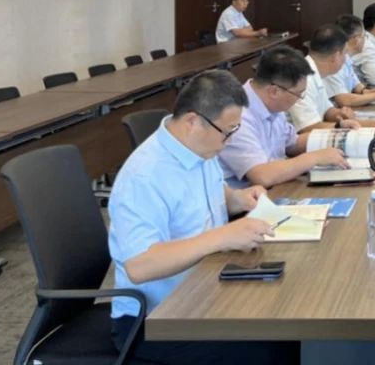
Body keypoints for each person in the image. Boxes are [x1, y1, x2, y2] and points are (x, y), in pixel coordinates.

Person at [108, 70, 296, 364]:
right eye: (228, 131)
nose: (229, 140)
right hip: (154, 319)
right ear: (193, 121)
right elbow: (140, 265)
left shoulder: (197, 149)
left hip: (205, 290)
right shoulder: (145, 176)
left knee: (286, 317)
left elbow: (205, 196)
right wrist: (221, 237)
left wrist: (237, 198)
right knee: (273, 346)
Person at [218, 46, 348, 188]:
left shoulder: (272, 103)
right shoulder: (238, 116)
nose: (300, 99)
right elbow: (262, 176)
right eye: (298, 94)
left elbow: (293, 143)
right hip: (250, 197)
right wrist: (315, 158)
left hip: (277, 187)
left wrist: (340, 133)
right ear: (274, 91)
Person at [289, 25, 363, 131]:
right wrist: (340, 125)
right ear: (335, 57)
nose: (346, 58)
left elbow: (326, 109)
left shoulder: (317, 72)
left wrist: (338, 113)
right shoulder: (304, 79)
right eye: (345, 53)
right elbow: (308, 127)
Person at [324, 14, 375, 107]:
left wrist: (366, 91)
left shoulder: (347, 58)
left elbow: (356, 84)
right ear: (356, 40)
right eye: (364, 36)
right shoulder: (334, 61)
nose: (366, 40)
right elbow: (344, 100)